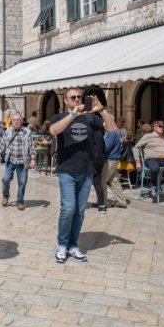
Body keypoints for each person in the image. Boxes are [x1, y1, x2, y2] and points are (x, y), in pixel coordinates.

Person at [49, 89, 115, 263]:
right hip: (67, 170)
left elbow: (112, 128)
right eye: (73, 97)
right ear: (66, 101)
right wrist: (73, 115)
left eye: (79, 97)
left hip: (86, 170)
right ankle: (62, 245)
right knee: (68, 208)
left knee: (79, 211)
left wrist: (101, 110)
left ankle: (73, 245)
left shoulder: (90, 118)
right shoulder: (60, 117)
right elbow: (53, 130)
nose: (77, 99)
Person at [0, 111, 36, 210]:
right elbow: (3, 144)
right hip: (11, 160)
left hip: (23, 161)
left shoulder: (27, 132)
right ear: (12, 121)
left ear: (21, 121)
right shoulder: (8, 131)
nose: (16, 121)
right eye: (14, 120)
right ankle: (5, 195)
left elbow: (31, 146)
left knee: (22, 182)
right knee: (5, 179)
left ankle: (20, 201)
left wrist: (33, 159)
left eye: (18, 120)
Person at [133, 120, 164, 202]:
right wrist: (137, 161)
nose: (162, 128)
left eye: (163, 126)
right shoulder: (148, 136)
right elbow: (136, 148)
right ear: (154, 127)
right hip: (151, 159)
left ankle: (163, 183)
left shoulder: (163, 138)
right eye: (160, 126)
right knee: (155, 168)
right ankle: (154, 187)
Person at [101, 125, 128, 209]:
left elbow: (106, 147)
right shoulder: (117, 132)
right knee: (114, 181)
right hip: (114, 159)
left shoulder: (111, 133)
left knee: (102, 181)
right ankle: (122, 202)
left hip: (110, 160)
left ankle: (103, 202)